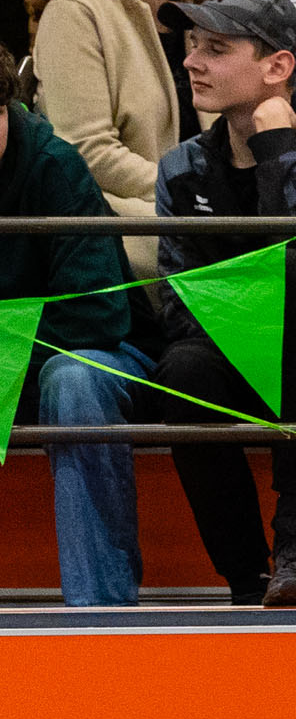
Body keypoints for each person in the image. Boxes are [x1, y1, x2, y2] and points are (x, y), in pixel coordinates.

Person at [150, 0, 296, 608]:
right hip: (240, 356)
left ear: (277, 67)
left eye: (216, 49)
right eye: (192, 46)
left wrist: (276, 144)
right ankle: (246, 577)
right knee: (182, 367)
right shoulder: (182, 167)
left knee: (293, 269)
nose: (191, 62)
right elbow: (179, 302)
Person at [0, 90, 149, 606]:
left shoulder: (56, 167)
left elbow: (97, 315)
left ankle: (100, 611)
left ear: (4, 108)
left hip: (105, 352)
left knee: (74, 379)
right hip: (16, 361)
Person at [26, 0, 206, 227]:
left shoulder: (200, 14)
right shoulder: (76, 10)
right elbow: (87, 152)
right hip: (119, 218)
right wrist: (193, 194)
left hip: (198, 212)